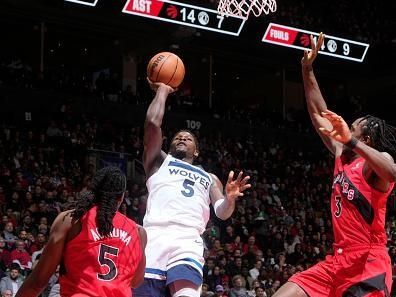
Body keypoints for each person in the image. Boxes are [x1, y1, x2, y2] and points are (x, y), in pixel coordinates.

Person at [273, 33, 396, 296]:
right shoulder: (342, 154)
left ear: (366, 138)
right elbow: (318, 112)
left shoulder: (375, 163)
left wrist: (352, 142)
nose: (345, 129)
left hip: (368, 262)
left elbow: (392, 172)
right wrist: (307, 70)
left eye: (353, 127)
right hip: (338, 260)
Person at [134, 81, 251, 297]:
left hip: (187, 239)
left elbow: (222, 212)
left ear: (196, 151)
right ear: (169, 145)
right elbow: (152, 123)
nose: (182, 139)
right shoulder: (159, 162)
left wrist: (230, 198)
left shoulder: (209, 177)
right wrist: (162, 89)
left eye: (188, 139)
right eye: (178, 137)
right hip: (153, 237)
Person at [15, 166, 147, 297]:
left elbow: (38, 281)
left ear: (93, 190)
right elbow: (136, 281)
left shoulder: (71, 220)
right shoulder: (138, 232)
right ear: (122, 197)